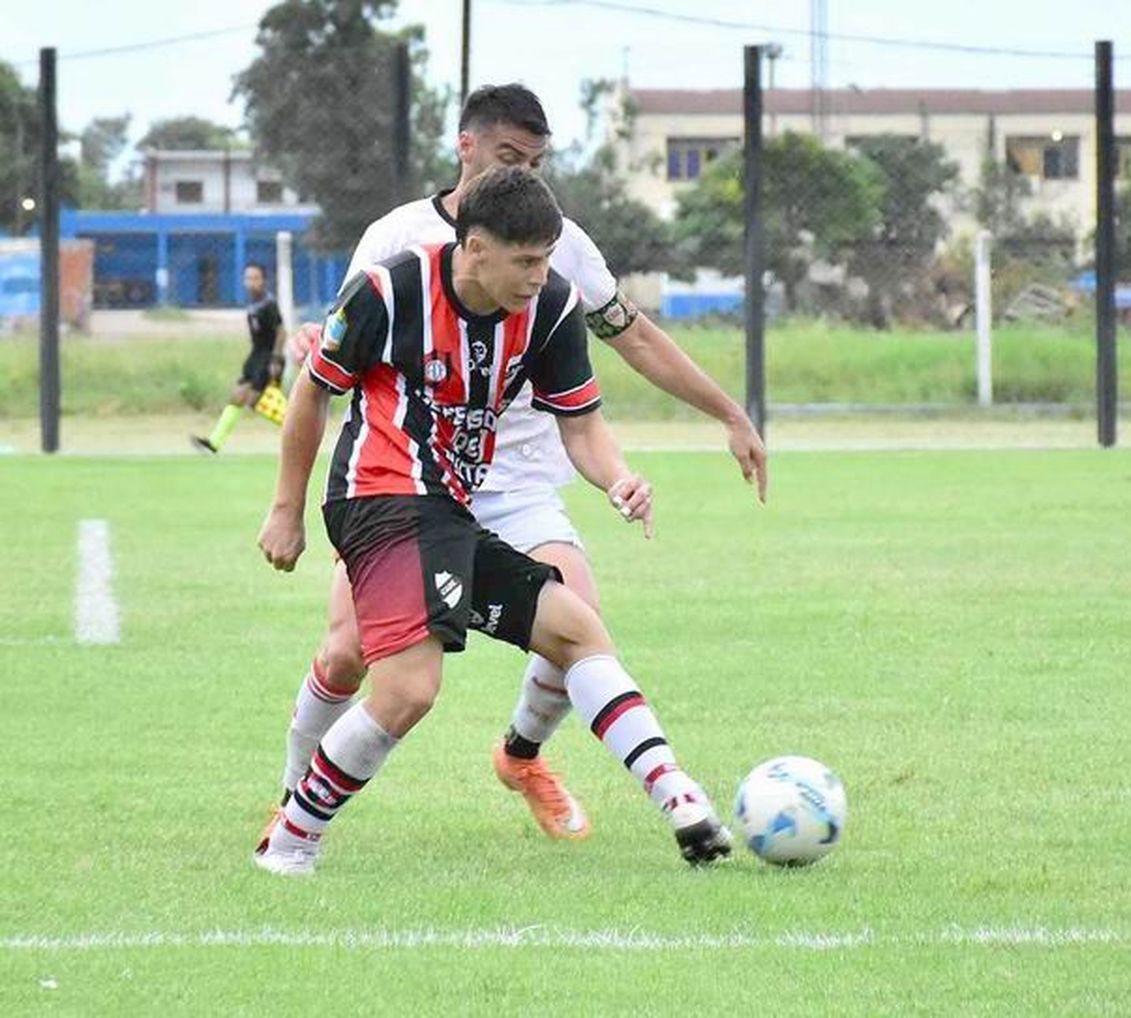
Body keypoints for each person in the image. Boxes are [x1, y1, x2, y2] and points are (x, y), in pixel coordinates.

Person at [276, 83, 765, 842]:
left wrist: (726, 412)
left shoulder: (561, 244)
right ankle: (293, 801)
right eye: (512, 157)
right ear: (465, 147)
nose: (528, 176)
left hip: (516, 478)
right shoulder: (396, 241)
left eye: (538, 162)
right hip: (401, 480)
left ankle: (522, 756)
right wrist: (292, 485)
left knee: (579, 622)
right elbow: (335, 350)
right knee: (350, 653)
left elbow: (630, 336)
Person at [192, 262, 287, 453]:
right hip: (256, 355)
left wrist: (275, 359)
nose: (251, 282)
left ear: (263, 281)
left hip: (267, 356)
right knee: (237, 397)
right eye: (248, 278)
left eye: (255, 278)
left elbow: (281, 331)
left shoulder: (269, 303)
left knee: (255, 401)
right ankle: (214, 444)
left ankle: (299, 427)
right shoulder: (253, 303)